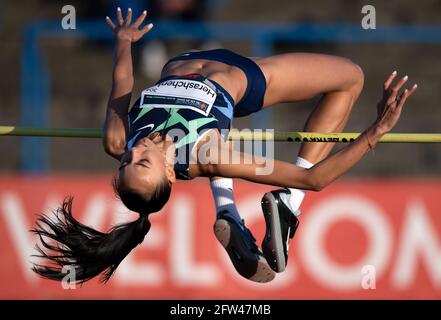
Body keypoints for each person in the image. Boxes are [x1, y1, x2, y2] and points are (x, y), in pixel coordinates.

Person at [31, 8, 417, 284]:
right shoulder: (207, 155)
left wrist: (124, 43)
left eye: (126, 162)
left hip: (187, 58)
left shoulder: (118, 139)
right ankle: (287, 206)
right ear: (169, 173)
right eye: (144, 163)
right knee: (350, 77)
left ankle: (229, 212)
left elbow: (121, 84)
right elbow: (312, 177)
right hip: (246, 78)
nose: (136, 151)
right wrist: (375, 132)